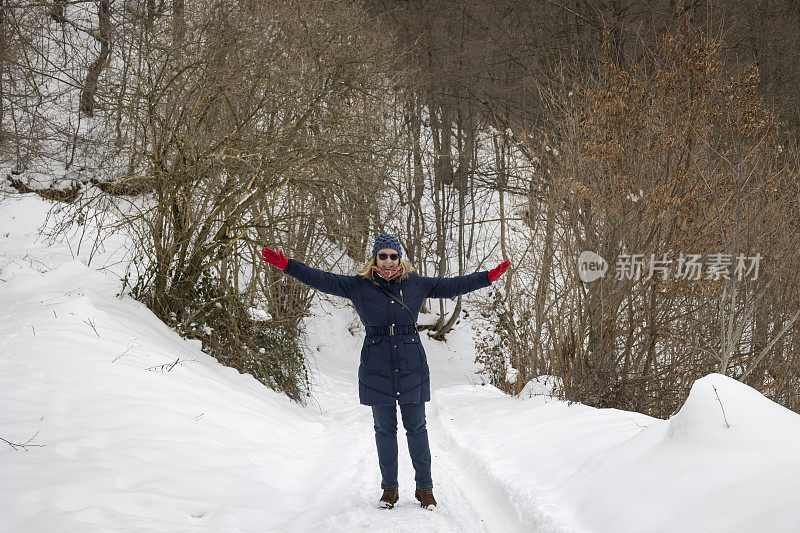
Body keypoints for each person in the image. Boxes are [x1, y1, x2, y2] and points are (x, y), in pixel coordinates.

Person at [261, 234, 510, 510]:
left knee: (417, 428)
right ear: (375, 259)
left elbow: (454, 285)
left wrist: (488, 276)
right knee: (384, 430)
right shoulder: (358, 286)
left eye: (393, 256)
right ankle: (390, 489)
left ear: (400, 258)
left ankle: (424, 488)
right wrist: (288, 266)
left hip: (411, 364)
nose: (389, 261)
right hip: (376, 364)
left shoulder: (416, 284)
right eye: (383, 256)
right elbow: (322, 279)